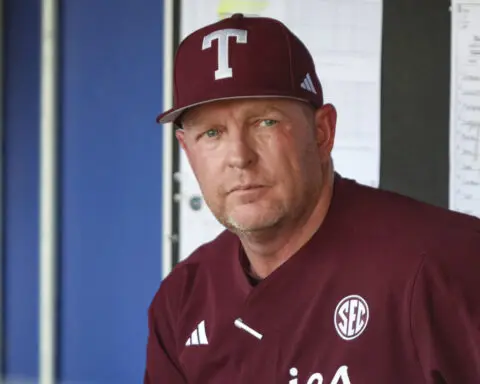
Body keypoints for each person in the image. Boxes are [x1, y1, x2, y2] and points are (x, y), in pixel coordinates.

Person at [144, 13, 480, 384]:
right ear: (186, 150)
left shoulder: (449, 262)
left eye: (264, 122)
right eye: (212, 133)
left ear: (322, 132)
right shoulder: (182, 300)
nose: (239, 157)